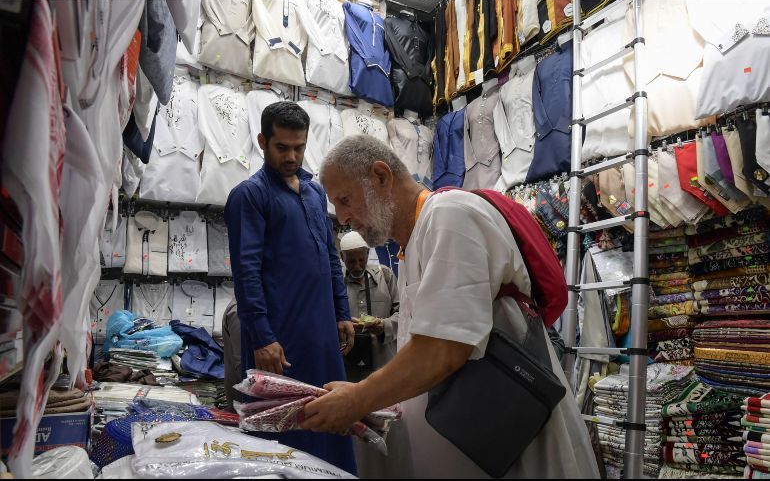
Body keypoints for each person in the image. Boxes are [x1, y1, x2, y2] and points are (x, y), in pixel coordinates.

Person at [301, 135, 600, 478]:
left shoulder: (450, 215)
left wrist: (358, 399)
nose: (342, 217)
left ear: (381, 176)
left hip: (509, 454)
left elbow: (443, 349)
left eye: (344, 200)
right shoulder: (414, 242)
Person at [224, 101, 356, 474]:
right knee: (282, 437)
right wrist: (262, 336)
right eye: (282, 147)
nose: (292, 156)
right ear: (263, 141)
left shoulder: (314, 194)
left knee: (331, 419)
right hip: (279, 341)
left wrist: (343, 312)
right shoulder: (249, 196)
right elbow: (246, 272)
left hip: (323, 337)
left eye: (299, 147)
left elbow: (331, 256)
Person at [339, 231, 411, 479]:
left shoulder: (386, 276)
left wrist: (383, 326)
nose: (357, 266)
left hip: (384, 367)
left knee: (390, 430)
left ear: (367, 254)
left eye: (361, 260)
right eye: (351, 261)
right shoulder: (335, 284)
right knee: (355, 431)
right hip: (350, 373)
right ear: (342, 258)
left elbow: (404, 315)